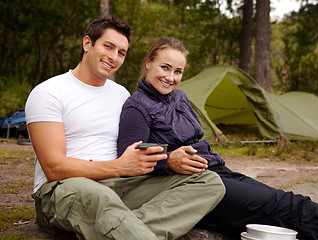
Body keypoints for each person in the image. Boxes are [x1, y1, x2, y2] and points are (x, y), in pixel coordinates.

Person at [117, 37, 318, 240]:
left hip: (217, 170)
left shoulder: (179, 97)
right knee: (283, 207)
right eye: (165, 67)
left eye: (178, 71)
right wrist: (168, 160)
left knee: (288, 202)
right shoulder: (137, 107)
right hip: (190, 186)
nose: (171, 77)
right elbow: (129, 161)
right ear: (148, 63)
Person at [25, 17, 225, 240]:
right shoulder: (49, 93)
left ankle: (113, 228)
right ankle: (118, 228)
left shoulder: (121, 94)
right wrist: (119, 166)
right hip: (64, 188)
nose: (113, 57)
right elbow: (54, 168)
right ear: (87, 43)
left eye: (121, 52)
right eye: (108, 47)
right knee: (100, 198)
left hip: (119, 184)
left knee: (209, 182)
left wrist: (164, 159)